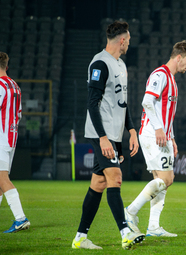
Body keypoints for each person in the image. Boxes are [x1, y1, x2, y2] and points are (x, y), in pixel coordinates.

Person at [71, 21, 145, 251]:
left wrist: (131, 130)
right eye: (129, 39)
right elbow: (92, 104)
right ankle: (125, 233)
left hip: (113, 133)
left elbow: (122, 103)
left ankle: (80, 237)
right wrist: (102, 137)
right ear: (122, 40)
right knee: (115, 178)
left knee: (99, 182)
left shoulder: (121, 65)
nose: (129, 43)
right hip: (100, 132)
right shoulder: (100, 63)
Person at [124, 41, 186, 237]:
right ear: (179, 57)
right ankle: (130, 212)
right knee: (167, 179)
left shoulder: (172, 80)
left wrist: (171, 137)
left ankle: (154, 227)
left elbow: (167, 114)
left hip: (162, 135)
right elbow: (147, 102)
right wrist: (158, 129)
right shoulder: (160, 75)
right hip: (152, 133)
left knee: (162, 180)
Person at [0, 52, 30, 233]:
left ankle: (20, 218)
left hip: (0, 138)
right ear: (7, 65)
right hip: (11, 137)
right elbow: (18, 114)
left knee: (3, 180)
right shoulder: (14, 85)